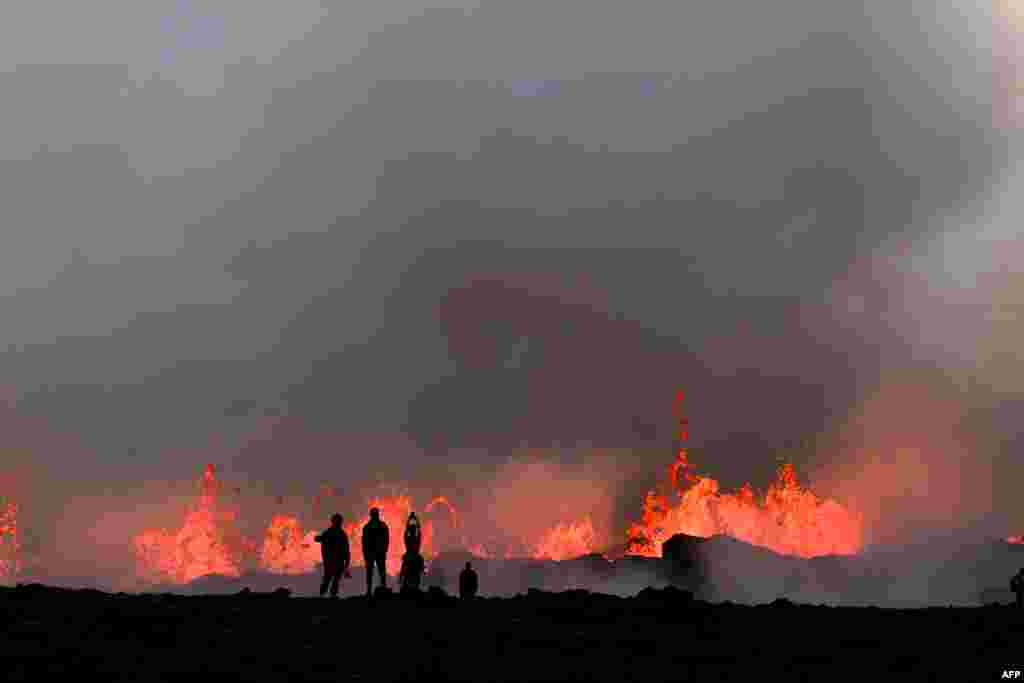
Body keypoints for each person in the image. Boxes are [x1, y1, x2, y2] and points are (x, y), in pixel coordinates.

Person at [314, 513, 351, 598]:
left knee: (330, 579)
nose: (339, 523)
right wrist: (346, 565)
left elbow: (346, 550)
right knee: (331, 580)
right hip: (334, 561)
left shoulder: (331, 533)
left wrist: (346, 565)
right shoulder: (339, 534)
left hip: (332, 561)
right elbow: (346, 550)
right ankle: (326, 595)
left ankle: (324, 595)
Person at [362, 507, 389, 596]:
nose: (374, 516)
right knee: (373, 572)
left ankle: (380, 587)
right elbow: (364, 541)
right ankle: (370, 590)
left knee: (379, 571)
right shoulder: (368, 527)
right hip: (373, 553)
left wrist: (384, 550)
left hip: (377, 552)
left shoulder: (370, 526)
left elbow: (386, 539)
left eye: (375, 514)